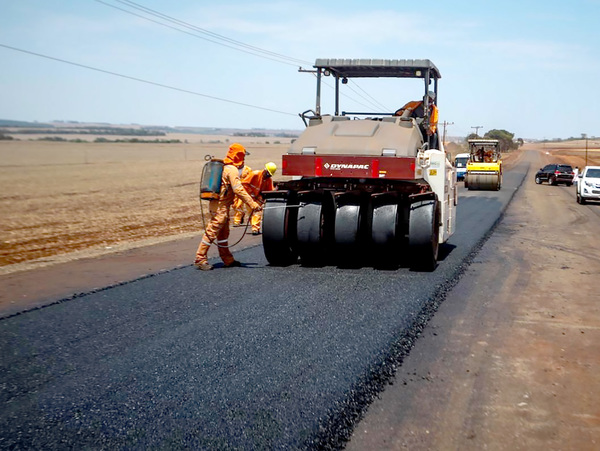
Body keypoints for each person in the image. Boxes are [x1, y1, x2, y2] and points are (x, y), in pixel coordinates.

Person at [194, 143, 261, 271]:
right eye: (243, 157)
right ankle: (200, 258)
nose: (244, 160)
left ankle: (227, 259)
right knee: (212, 231)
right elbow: (238, 189)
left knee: (223, 233)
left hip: (219, 205)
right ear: (238, 156)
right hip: (220, 206)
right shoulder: (232, 170)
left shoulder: (225, 167)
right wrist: (252, 204)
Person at [241, 162, 277, 235]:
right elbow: (244, 184)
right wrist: (251, 194)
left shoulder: (268, 180)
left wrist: (275, 191)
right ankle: (254, 227)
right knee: (250, 213)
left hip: (258, 198)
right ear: (265, 170)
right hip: (249, 196)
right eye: (268, 174)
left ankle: (255, 228)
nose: (268, 176)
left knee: (257, 211)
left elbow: (270, 191)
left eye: (270, 175)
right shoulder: (255, 174)